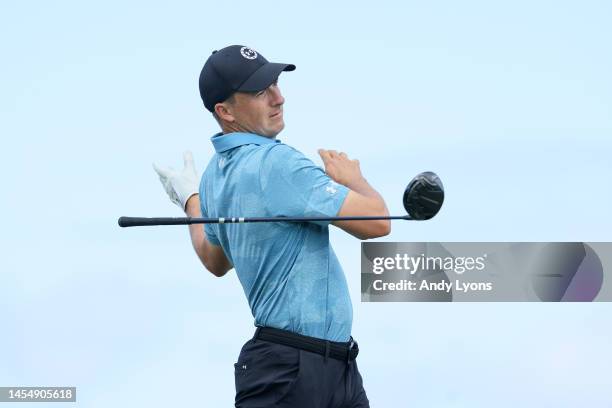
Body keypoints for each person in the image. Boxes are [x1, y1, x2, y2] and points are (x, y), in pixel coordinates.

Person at [153, 45, 390, 408]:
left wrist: (191, 200)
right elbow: (377, 223)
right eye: (260, 91)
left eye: (275, 84)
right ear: (225, 111)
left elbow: (214, 260)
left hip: (334, 367)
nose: (279, 98)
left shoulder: (215, 176)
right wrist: (354, 180)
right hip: (289, 369)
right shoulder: (277, 162)